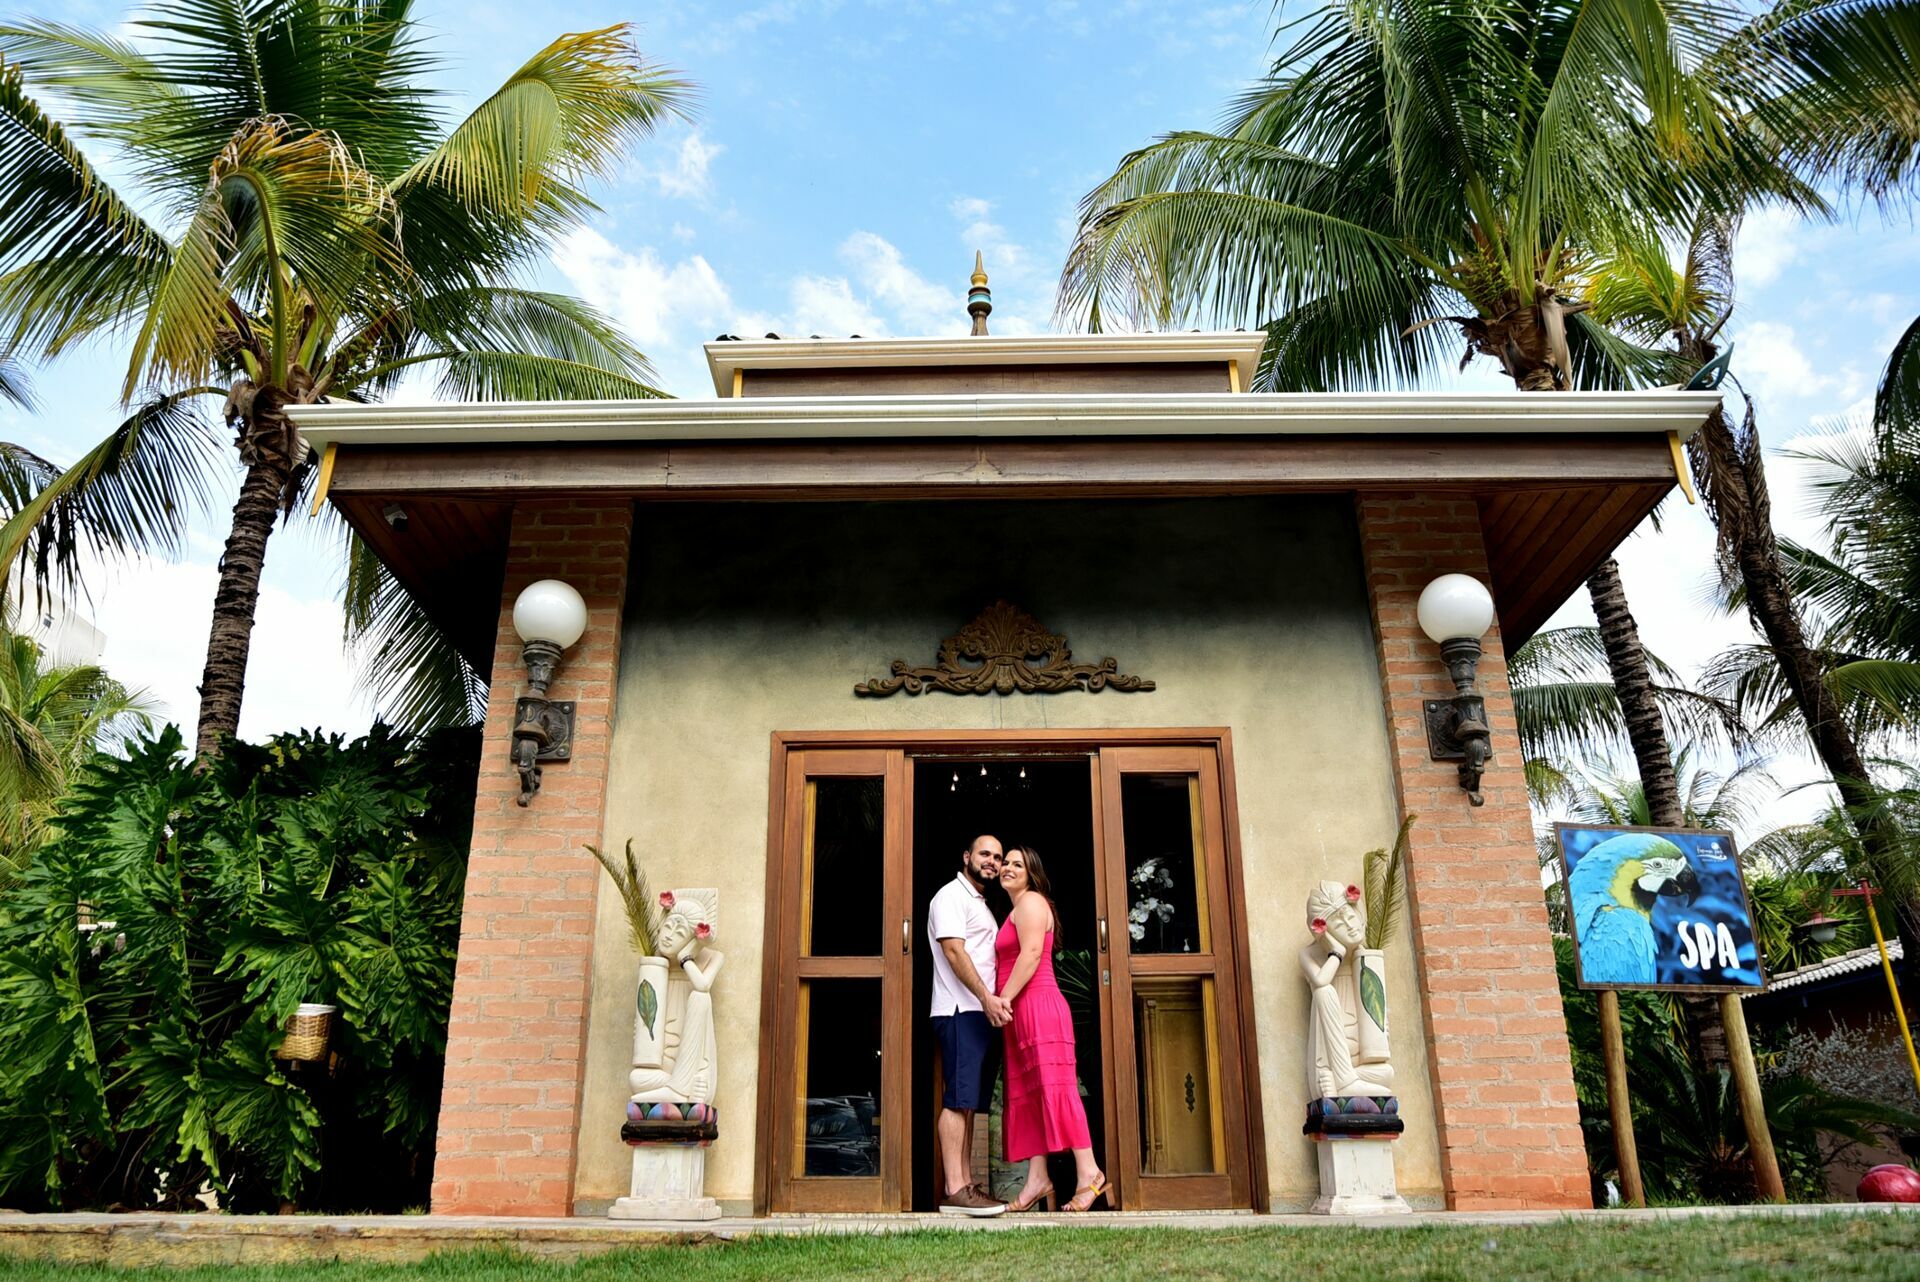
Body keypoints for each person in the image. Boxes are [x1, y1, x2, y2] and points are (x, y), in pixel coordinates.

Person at [997, 844, 1105, 1212]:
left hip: (1038, 1005)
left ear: (1032, 874)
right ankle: (1037, 1179)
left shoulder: (1030, 903)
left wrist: (1004, 999)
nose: (1007, 868)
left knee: (1057, 1089)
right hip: (1022, 1012)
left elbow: (1029, 956)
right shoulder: (1016, 908)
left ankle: (1089, 1172)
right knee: (1029, 1095)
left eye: (1017, 864)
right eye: (1005, 863)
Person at [927, 833, 1011, 1216]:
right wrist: (984, 997)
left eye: (997, 856)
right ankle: (955, 1186)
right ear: (966, 857)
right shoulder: (950, 897)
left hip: (978, 1013)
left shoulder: (978, 902)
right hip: (960, 1010)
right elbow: (953, 951)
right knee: (956, 1099)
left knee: (968, 1103)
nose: (991, 861)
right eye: (984, 854)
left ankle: (964, 1187)